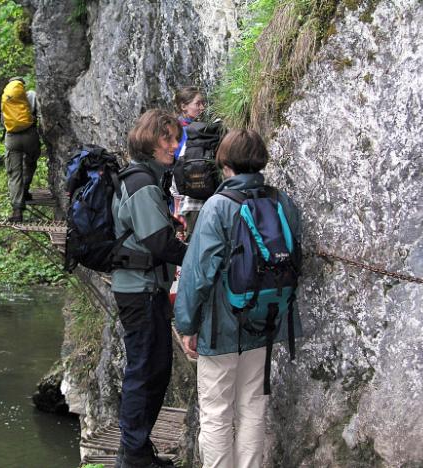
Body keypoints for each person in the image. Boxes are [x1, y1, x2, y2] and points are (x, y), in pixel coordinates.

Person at [173, 129, 302, 468]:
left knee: (216, 413)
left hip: (221, 327)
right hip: (265, 319)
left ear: (225, 163)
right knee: (252, 406)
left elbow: (198, 272)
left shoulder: (218, 206)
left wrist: (187, 324)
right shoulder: (282, 201)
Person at [112, 109, 188, 468]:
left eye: (176, 138)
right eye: (167, 139)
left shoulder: (146, 180)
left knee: (155, 368)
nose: (175, 145)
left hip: (145, 288)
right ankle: (132, 454)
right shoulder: (142, 184)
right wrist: (200, 255)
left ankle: (137, 450)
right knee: (144, 369)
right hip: (139, 291)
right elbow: (159, 244)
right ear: (149, 140)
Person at [1, 76, 41, 222]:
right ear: (22, 86)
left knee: (14, 173)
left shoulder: (7, 99)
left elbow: (3, 121)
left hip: (12, 138)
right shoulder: (31, 95)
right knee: (30, 163)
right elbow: (38, 113)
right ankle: (25, 189)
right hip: (30, 135)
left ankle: (17, 211)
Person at [170, 87, 207, 239]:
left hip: (182, 191)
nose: (202, 107)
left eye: (203, 103)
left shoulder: (182, 128)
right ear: (183, 106)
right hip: (184, 192)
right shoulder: (181, 131)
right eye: (198, 103)